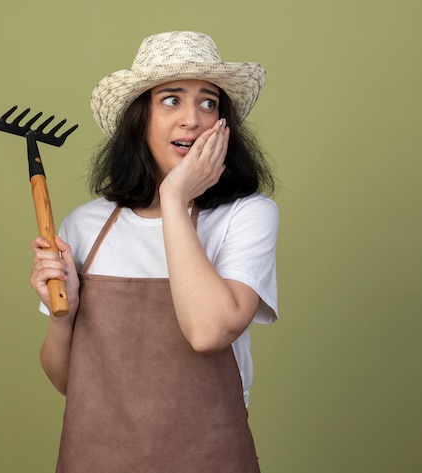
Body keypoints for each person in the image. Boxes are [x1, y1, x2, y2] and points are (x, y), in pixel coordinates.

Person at [30, 31, 278, 472]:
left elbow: (208, 332)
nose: (193, 119)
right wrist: (60, 313)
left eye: (209, 102)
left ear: (223, 125)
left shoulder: (247, 215)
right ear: (139, 118)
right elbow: (68, 381)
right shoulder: (85, 225)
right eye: (170, 100)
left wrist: (174, 197)